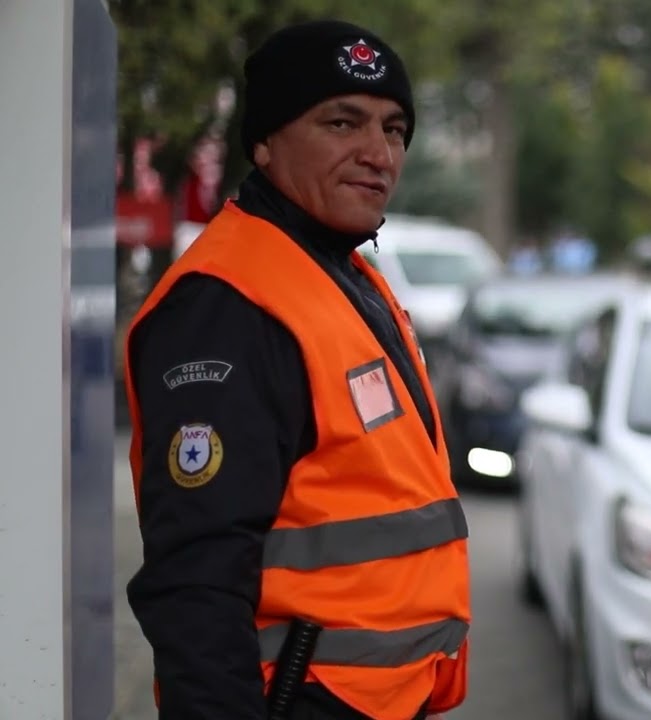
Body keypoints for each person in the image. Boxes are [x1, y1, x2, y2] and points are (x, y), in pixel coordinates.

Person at [122, 20, 469, 720]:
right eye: (343, 122)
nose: (379, 153)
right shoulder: (229, 303)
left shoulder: (343, 272)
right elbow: (197, 582)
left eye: (395, 129)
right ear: (264, 143)